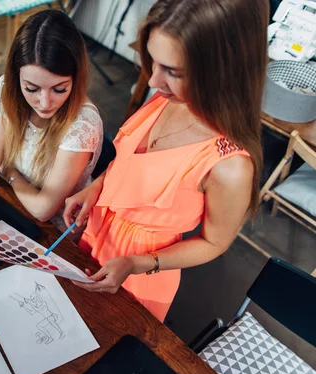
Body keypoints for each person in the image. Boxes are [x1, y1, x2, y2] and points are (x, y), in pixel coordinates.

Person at [63, 0, 268, 322]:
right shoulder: (166, 97)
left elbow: (213, 243)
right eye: (153, 62)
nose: (154, 81)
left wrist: (136, 263)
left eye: (172, 72)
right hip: (94, 234)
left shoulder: (230, 166)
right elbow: (128, 163)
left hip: (139, 272)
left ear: (222, 69)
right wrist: (97, 189)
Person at [0, 10, 103, 237]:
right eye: (32, 88)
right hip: (16, 205)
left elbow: (44, 209)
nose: (45, 103)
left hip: (55, 232)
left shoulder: (82, 125)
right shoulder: (7, 89)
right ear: (16, 77)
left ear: (76, 78)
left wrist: (10, 172)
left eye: (59, 89)